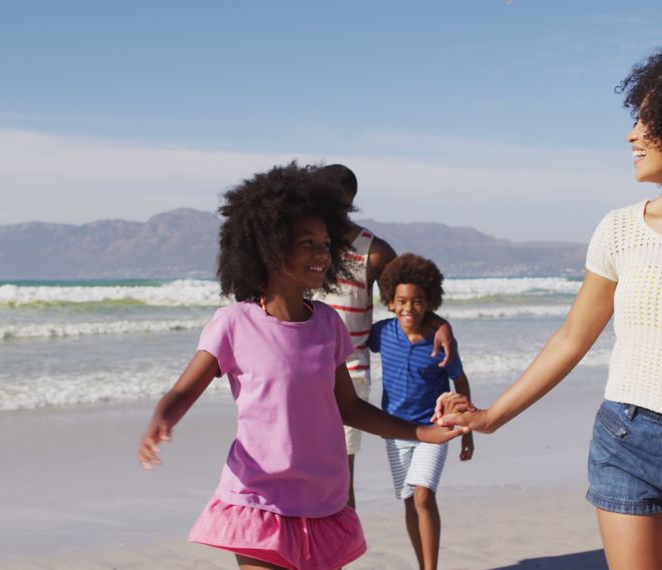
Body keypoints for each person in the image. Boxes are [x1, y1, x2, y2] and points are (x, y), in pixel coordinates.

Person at [436, 48, 662, 570]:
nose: (632, 136)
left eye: (647, 123)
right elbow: (571, 339)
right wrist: (492, 417)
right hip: (627, 442)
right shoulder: (619, 229)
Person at [136, 162, 463, 570]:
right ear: (270, 247)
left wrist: (424, 433)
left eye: (326, 243)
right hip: (259, 497)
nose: (322, 253)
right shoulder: (234, 323)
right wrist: (162, 417)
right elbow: (184, 390)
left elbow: (350, 408)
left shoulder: (327, 323)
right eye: (307, 242)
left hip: (324, 499)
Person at [315, 164, 456, 510]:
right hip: (299, 371)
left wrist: (440, 324)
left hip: (349, 372)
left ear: (349, 201)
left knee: (340, 475)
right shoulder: (307, 245)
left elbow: (404, 299)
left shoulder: (373, 252)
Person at [367, 253, 473, 570]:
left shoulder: (441, 343)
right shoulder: (383, 334)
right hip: (395, 431)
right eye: (401, 301)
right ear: (389, 301)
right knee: (410, 500)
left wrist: (468, 432)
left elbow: (460, 380)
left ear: (429, 302)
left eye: (417, 301)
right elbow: (352, 336)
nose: (408, 308)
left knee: (424, 495)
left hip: (435, 429)